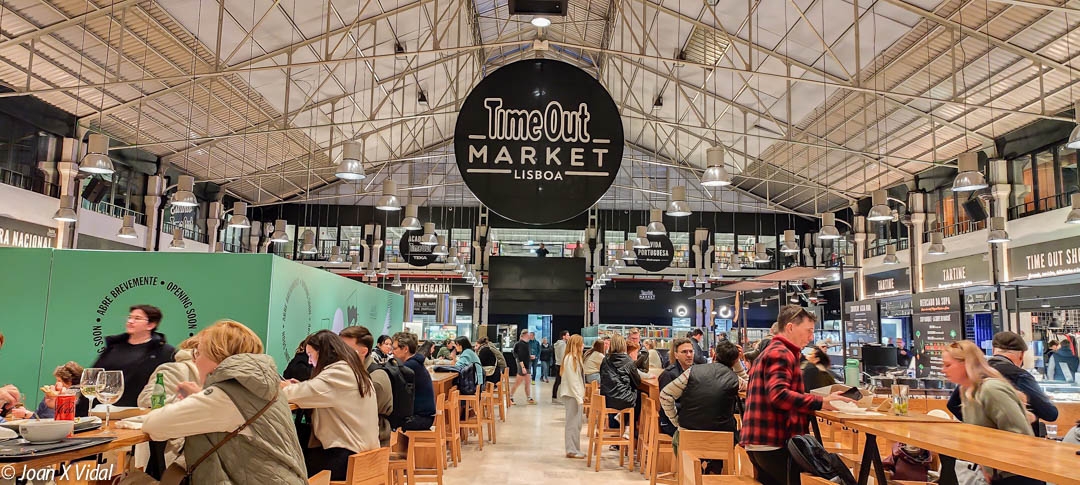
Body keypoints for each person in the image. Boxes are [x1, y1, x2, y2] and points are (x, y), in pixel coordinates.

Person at [141, 320, 307, 484]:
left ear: (215, 354)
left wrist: (196, 398)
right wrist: (200, 396)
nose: (195, 360)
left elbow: (154, 424)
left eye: (198, 353)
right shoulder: (265, 386)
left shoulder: (227, 394)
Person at [741, 306, 853, 485]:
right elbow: (779, 395)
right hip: (773, 441)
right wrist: (820, 401)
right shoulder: (781, 353)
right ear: (790, 327)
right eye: (809, 331)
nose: (811, 337)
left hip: (763, 440)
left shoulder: (774, 351)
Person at [282, 330, 378, 480]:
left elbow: (293, 394)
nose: (309, 362)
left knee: (289, 468)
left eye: (310, 355)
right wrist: (300, 387)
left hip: (347, 456)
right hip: (362, 454)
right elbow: (319, 391)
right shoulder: (353, 370)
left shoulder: (339, 373)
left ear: (322, 353)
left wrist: (284, 386)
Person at [942, 340, 1040, 485]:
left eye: (948, 365)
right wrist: (985, 466)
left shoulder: (990, 389)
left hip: (1017, 475)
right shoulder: (967, 392)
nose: (943, 370)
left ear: (966, 363)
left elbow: (1020, 436)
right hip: (998, 473)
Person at [946, 332, 1058, 437]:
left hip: (982, 442)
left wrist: (980, 428)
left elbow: (953, 404)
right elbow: (1050, 413)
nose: (943, 370)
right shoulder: (1019, 375)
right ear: (1022, 355)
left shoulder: (978, 373)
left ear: (993, 350)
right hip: (1016, 444)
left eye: (947, 365)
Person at [660, 340, 743, 474]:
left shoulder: (692, 371)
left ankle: (693, 472)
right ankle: (714, 470)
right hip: (721, 438)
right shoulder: (735, 379)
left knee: (679, 439)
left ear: (714, 355)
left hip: (688, 432)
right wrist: (738, 363)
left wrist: (676, 420)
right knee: (733, 433)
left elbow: (665, 395)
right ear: (734, 361)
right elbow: (750, 383)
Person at [92, 304, 177, 407]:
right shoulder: (113, 348)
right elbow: (95, 376)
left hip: (141, 410)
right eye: (130, 317)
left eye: (137, 318)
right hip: (103, 408)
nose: (130, 321)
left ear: (151, 325)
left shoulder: (164, 352)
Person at [339, 326, 394, 447]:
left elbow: (353, 411)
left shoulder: (375, 379)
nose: (339, 352)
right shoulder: (356, 371)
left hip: (370, 441)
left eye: (345, 348)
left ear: (363, 351)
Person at [391, 332, 436, 431]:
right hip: (425, 417)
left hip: (419, 419)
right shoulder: (415, 363)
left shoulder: (409, 367)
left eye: (394, 348)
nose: (392, 352)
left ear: (405, 349)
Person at [600, 334, 642, 433]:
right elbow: (637, 382)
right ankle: (629, 426)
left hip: (606, 399)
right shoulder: (628, 361)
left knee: (622, 395)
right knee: (638, 395)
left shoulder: (605, 360)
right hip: (623, 400)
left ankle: (617, 425)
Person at [658, 338, 695, 436]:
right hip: (672, 422)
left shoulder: (697, 371)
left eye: (691, 351)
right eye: (684, 352)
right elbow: (665, 403)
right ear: (676, 355)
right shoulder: (668, 374)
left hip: (690, 418)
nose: (689, 355)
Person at [558, 335, 586, 459]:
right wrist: (579, 397)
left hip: (575, 395)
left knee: (577, 424)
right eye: (582, 343)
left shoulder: (575, 358)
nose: (583, 346)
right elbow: (573, 380)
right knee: (572, 424)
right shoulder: (570, 359)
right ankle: (571, 449)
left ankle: (575, 448)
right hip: (572, 395)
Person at [510, 330, 536, 405]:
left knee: (528, 382)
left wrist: (529, 356)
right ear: (524, 335)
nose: (529, 336)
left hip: (527, 365)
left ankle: (528, 397)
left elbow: (524, 355)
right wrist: (523, 367)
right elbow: (520, 357)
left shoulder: (526, 344)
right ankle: (510, 396)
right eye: (527, 335)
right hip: (522, 365)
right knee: (518, 382)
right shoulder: (520, 344)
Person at [552, 331, 569, 402]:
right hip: (561, 365)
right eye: (567, 335)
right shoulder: (562, 345)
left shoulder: (558, 344)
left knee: (558, 381)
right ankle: (557, 396)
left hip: (558, 363)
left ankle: (555, 396)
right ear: (563, 336)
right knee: (560, 381)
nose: (569, 336)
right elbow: (563, 355)